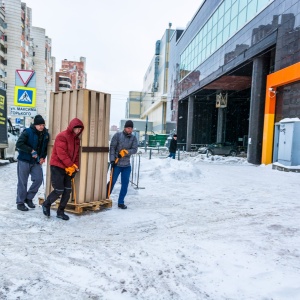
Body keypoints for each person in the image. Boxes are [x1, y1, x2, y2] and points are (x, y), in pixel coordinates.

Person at [42, 118, 84, 221]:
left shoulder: (77, 140)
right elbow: (61, 153)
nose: (78, 131)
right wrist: (70, 165)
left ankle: (60, 212)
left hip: (68, 168)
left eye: (80, 129)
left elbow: (76, 156)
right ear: (72, 127)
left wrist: (75, 168)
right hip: (57, 166)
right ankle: (46, 204)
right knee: (59, 189)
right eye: (76, 129)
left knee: (67, 190)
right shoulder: (62, 136)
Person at [16, 115, 49, 211]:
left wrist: (43, 157)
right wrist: (30, 151)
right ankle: (20, 202)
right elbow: (19, 144)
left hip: (36, 161)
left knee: (38, 179)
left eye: (43, 125)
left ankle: (28, 198)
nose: (41, 127)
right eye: (39, 125)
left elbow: (45, 147)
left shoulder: (45, 134)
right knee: (23, 182)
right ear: (35, 125)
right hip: (24, 160)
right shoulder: (27, 132)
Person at [109, 120, 138, 209]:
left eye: (131, 128)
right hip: (117, 165)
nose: (130, 130)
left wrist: (126, 152)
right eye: (128, 128)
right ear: (125, 128)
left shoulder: (133, 138)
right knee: (111, 182)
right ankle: (105, 198)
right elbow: (112, 147)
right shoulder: (117, 135)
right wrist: (112, 160)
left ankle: (121, 202)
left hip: (126, 166)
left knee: (125, 184)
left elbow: (135, 149)